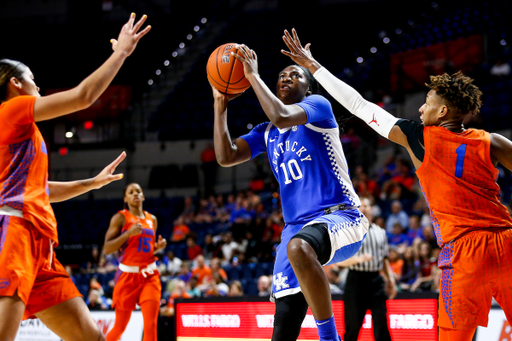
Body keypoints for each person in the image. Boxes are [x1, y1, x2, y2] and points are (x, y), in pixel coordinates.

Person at [282, 28, 512, 341]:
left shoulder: (421, 137)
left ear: (443, 111)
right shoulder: (492, 140)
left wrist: (314, 68)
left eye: (427, 102)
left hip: (463, 253)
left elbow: (360, 106)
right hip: (507, 242)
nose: (420, 108)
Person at [0, 13, 150, 341]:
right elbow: (83, 96)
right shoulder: (10, 111)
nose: (37, 86)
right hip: (14, 234)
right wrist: (121, 52)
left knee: (91, 338)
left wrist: (90, 183)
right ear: (15, 84)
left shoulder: (21, 131)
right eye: (32, 79)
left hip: (40, 245)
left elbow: (37, 189)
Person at [210, 44, 368, 341]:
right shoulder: (266, 132)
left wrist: (253, 75)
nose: (285, 78)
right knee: (283, 324)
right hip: (294, 229)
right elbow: (226, 156)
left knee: (299, 247)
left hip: (341, 217)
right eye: (281, 75)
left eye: (294, 75)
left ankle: (330, 338)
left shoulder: (318, 107)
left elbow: (282, 115)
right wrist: (220, 107)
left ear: (308, 88)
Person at [103, 183, 167, 341]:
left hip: (149, 276)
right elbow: (107, 249)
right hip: (127, 277)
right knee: (119, 327)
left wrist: (157, 248)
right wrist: (127, 234)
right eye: (131, 192)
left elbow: (144, 250)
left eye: (138, 191)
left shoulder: (152, 219)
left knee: (151, 327)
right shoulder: (120, 218)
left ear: (143, 196)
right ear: (125, 198)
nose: (135, 194)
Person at [339, 197, 396, 341]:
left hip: (376, 281)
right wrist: (359, 259)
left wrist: (390, 280)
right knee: (353, 325)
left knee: (381, 324)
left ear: (372, 209)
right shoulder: (349, 231)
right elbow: (339, 261)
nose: (363, 208)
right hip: (356, 280)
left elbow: (384, 259)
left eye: (366, 205)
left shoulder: (380, 232)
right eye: (360, 206)